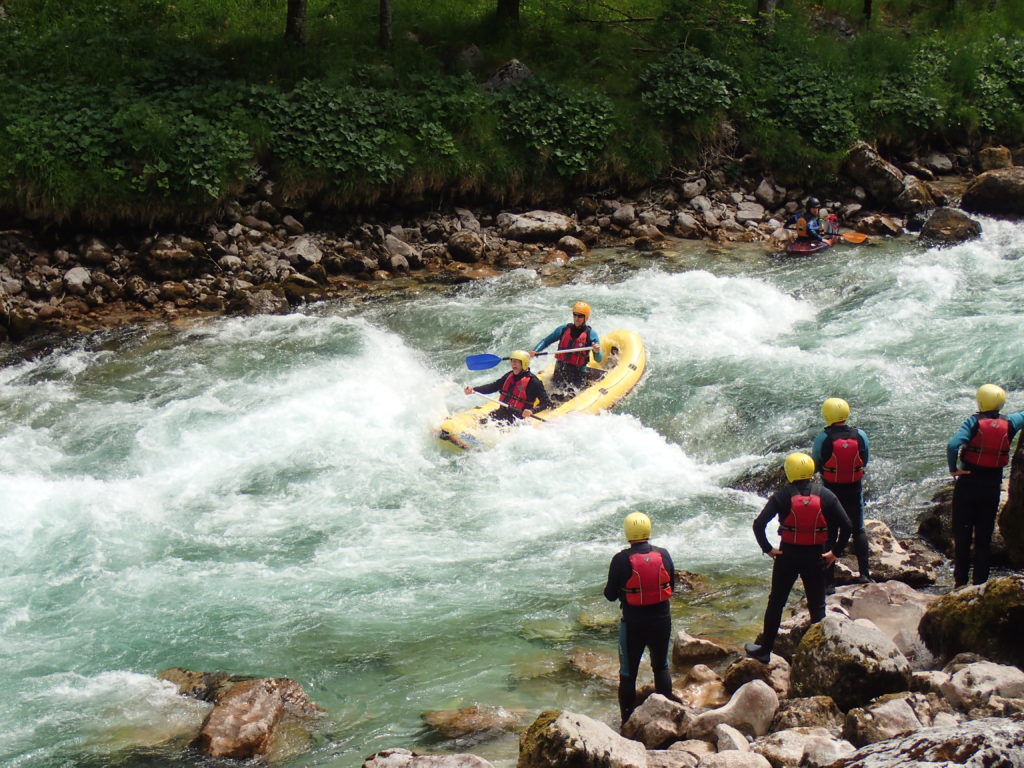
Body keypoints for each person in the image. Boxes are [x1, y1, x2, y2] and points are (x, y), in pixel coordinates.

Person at [745, 452, 852, 665]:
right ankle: (820, 656)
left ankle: (765, 650)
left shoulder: (782, 496)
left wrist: (768, 549)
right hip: (816, 556)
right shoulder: (826, 495)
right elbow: (847, 526)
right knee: (817, 606)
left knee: (776, 603)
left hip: (787, 557)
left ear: (789, 472)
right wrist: (834, 553)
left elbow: (759, 525)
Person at [946, 384, 1024, 587]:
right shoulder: (1011, 422)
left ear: (980, 402)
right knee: (984, 538)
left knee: (962, 537)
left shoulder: (973, 422)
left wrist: (953, 469)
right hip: (991, 487)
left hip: (968, 483)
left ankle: (960, 584)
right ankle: (980, 584)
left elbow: (953, 445)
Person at [604, 511, 675, 725]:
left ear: (628, 532)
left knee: (628, 673)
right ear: (648, 530)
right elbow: (672, 583)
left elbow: (609, 595)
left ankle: (627, 723)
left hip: (633, 624)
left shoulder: (620, 559)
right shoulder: (663, 554)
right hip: (662, 620)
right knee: (661, 666)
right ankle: (667, 718)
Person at [812, 397, 873, 586]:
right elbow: (865, 458)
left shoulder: (823, 438)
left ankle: (829, 582)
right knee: (859, 530)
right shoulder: (860, 434)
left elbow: (816, 462)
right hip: (854, 489)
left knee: (830, 533)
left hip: (831, 491)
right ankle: (865, 574)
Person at [530, 302, 602, 395]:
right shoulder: (563, 329)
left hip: (578, 374)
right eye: (575, 315)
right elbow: (546, 341)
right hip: (560, 370)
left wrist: (596, 351)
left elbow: (598, 359)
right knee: (552, 395)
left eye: (580, 316)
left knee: (571, 395)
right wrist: (536, 350)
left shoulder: (591, 334)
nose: (576, 318)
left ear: (586, 318)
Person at [464, 349, 550, 423]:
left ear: (524, 363)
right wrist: (474, 389)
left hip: (518, 420)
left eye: (516, 362)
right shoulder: (509, 376)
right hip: (502, 413)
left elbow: (545, 402)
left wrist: (532, 411)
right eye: (512, 361)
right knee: (482, 424)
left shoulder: (533, 382)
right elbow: (493, 387)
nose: (513, 364)